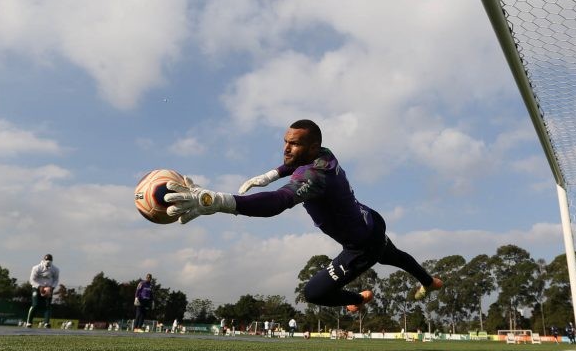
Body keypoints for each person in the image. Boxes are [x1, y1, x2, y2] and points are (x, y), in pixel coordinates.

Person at [164, 119, 442, 311]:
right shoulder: (324, 153)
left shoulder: (315, 176)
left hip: (360, 245)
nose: (286, 148)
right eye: (285, 141)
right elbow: (291, 164)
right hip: (370, 220)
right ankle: (429, 282)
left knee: (314, 293)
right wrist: (271, 174)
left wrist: (217, 201)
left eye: (294, 144)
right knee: (391, 254)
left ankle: (359, 298)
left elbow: (277, 202)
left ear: (311, 148)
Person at [26, 253, 59, 328]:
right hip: (37, 288)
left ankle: (46, 322)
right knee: (35, 305)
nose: (48, 262)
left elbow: (56, 280)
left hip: (48, 289)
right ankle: (29, 322)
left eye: (50, 260)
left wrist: (52, 287)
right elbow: (32, 280)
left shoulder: (55, 269)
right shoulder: (36, 268)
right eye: (47, 260)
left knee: (47, 305)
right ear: (43, 260)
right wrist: (40, 287)